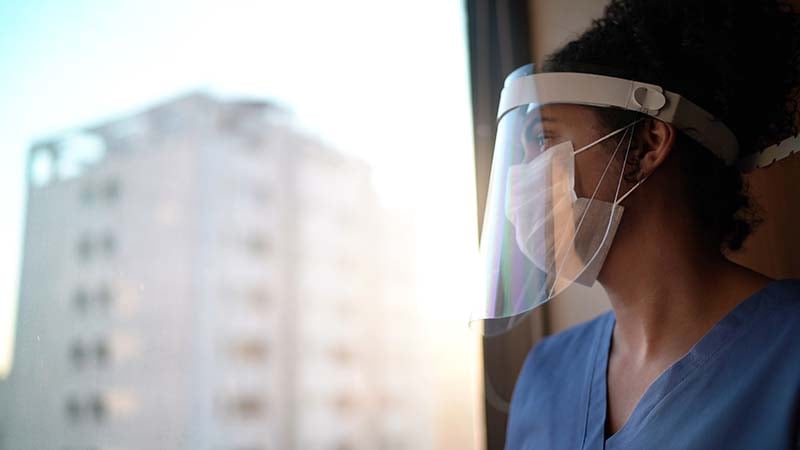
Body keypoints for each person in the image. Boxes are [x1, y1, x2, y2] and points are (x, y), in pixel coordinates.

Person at [472, 0, 800, 448]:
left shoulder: (789, 351)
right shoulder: (545, 374)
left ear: (647, 144)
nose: (519, 176)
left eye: (543, 139)